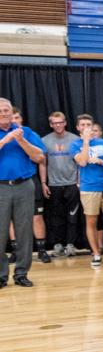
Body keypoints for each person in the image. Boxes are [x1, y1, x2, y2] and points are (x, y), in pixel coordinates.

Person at [0, 98, 45, 288]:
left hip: (24, 186)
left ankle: (21, 273)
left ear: (12, 112)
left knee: (24, 230)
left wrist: (21, 140)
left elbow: (39, 157)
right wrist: (5, 140)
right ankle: (1, 276)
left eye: (7, 110)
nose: (4, 113)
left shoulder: (25, 132)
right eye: (1, 110)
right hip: (1, 187)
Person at [71, 114, 103, 266]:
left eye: (88, 125)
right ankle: (96, 253)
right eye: (82, 125)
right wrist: (85, 142)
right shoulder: (75, 144)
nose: (86, 128)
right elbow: (83, 162)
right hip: (89, 188)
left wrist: (101, 161)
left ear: (92, 127)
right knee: (91, 221)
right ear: (78, 128)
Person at [41, 111, 81, 258]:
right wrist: (44, 183)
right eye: (54, 123)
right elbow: (43, 163)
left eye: (60, 122)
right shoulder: (44, 140)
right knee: (56, 216)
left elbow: (80, 163)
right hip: (54, 184)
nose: (58, 125)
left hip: (72, 183)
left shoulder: (75, 139)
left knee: (73, 215)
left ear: (65, 122)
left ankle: (71, 244)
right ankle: (58, 245)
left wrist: (78, 181)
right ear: (51, 124)